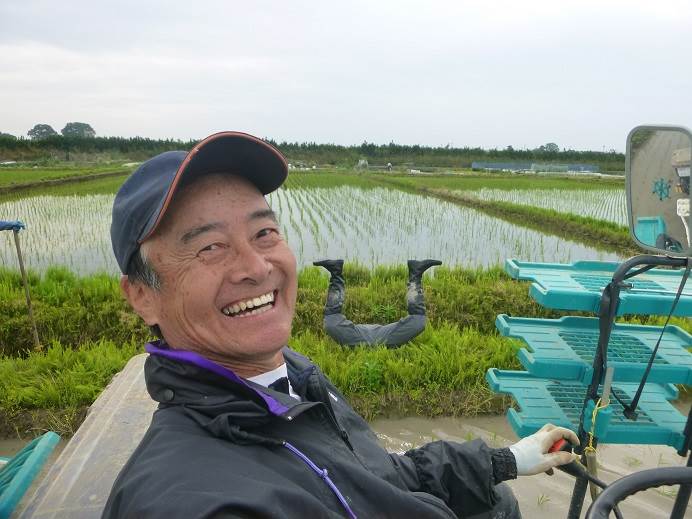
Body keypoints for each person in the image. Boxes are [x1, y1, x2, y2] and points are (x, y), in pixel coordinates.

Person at [103, 131, 579, 519]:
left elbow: (380, 477)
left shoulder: (292, 376)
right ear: (143, 295)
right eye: (209, 247)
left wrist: (506, 460)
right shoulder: (192, 501)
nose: (255, 266)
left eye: (264, 232)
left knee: (499, 500)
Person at [313, 258, 441, 347]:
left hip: (363, 338)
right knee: (418, 321)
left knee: (331, 323)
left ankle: (336, 273)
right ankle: (415, 273)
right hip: (383, 338)